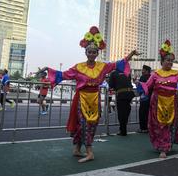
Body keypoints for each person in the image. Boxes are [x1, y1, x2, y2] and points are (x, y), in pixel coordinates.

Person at [37, 26, 139, 163]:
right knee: (84, 124)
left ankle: (78, 149)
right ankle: (89, 151)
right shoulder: (78, 67)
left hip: (95, 99)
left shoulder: (102, 66)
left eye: (94, 52)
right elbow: (63, 75)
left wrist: (131, 54)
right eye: (89, 52)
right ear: (86, 52)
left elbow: (118, 64)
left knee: (91, 124)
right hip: (82, 99)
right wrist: (48, 71)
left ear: (97, 53)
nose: (91, 54)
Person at [109, 70, 135, 136]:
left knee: (121, 113)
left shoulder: (114, 73)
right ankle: (123, 128)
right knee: (126, 111)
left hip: (121, 94)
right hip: (129, 94)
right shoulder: (127, 72)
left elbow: (111, 85)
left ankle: (123, 130)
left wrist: (116, 86)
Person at [137, 65, 152, 133]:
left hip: (144, 98)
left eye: (143, 70)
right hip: (151, 98)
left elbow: (140, 88)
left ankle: (143, 128)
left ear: (146, 71)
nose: (142, 71)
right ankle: (149, 127)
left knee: (142, 113)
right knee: (149, 113)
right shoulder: (151, 77)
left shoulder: (143, 77)